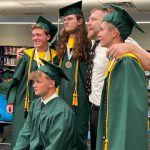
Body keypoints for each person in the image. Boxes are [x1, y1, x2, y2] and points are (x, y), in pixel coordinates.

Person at [86, 6, 147, 150]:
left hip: (112, 115)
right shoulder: (104, 50)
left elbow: (127, 105)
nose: (98, 33)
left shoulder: (126, 59)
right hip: (97, 109)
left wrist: (131, 48)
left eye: (101, 28)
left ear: (114, 32)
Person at [6, 16, 58, 148]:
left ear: (48, 37)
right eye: (33, 35)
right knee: (21, 133)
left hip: (47, 101)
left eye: (39, 35)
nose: (35, 38)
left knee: (43, 134)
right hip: (24, 100)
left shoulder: (56, 56)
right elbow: (16, 79)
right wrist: (11, 100)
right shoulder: (26, 55)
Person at [13, 60, 76, 150]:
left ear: (51, 83)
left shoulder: (63, 112)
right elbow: (25, 135)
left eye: (38, 81)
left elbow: (55, 146)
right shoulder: (35, 104)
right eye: (34, 82)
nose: (34, 85)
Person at [57, 1, 91, 150]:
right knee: (60, 135)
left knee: (78, 136)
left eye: (69, 19)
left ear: (80, 21)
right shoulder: (61, 44)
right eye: (64, 19)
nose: (65, 21)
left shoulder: (90, 44)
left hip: (80, 100)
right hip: (61, 97)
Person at [0, 70, 14, 143]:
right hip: (13, 115)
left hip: (1, 116)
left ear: (3, 79)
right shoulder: (15, 87)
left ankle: (0, 137)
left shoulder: (1, 85)